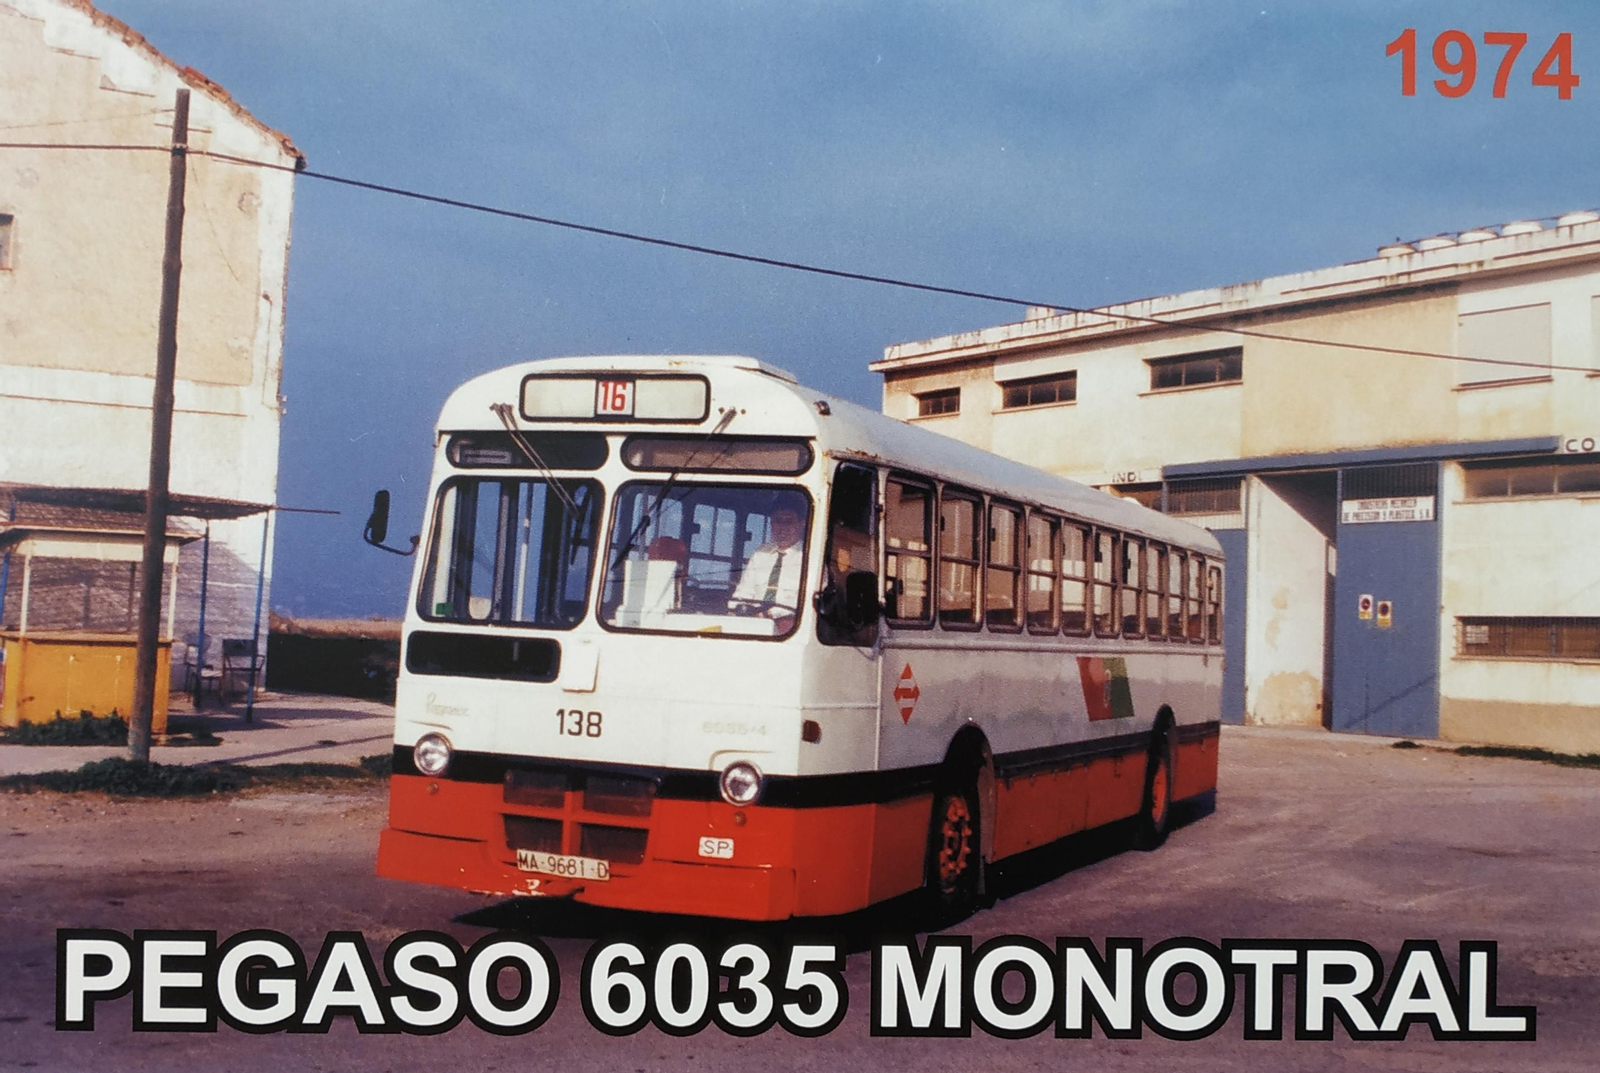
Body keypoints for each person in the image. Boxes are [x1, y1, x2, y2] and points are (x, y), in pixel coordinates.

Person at [729, 506, 805, 631]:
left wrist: (770, 613)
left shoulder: (810, 555)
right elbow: (744, 590)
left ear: (800, 524)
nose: (782, 527)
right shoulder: (760, 553)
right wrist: (736, 607)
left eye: (788, 521)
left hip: (792, 627)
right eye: (778, 521)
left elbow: (807, 600)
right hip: (754, 622)